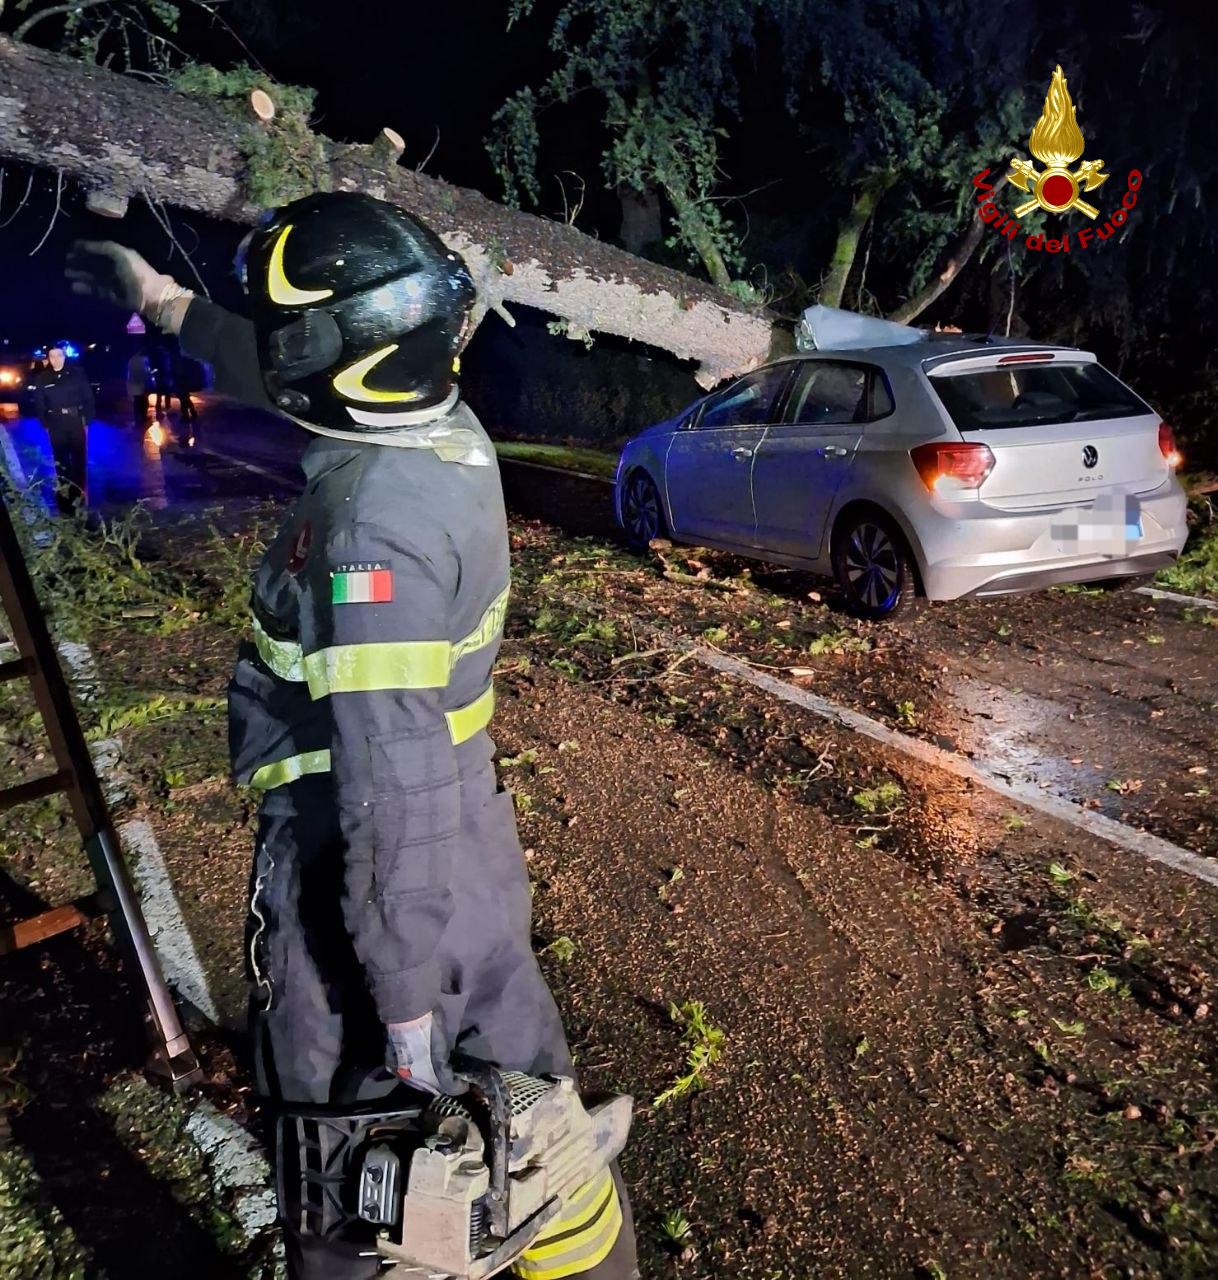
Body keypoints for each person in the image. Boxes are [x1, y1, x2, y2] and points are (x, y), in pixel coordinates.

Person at [66, 195, 638, 1280]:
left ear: (343, 356)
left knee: (351, 1188)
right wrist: (161, 300)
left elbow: (394, 774)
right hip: (468, 857)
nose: (279, 355)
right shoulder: (430, 418)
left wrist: (404, 994)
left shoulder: (372, 532)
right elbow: (284, 363)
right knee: (540, 1138)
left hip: (364, 875)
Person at [32, 345, 94, 512]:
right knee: (61, 460)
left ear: (64, 356)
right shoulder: (43, 378)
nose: (56, 359)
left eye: (59, 355)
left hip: (75, 421)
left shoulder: (77, 374)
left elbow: (88, 398)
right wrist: (44, 424)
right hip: (56, 423)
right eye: (52, 356)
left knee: (79, 459)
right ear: (48, 358)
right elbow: (40, 404)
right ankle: (65, 494)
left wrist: (87, 421)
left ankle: (80, 494)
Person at [127, 347, 151, 428]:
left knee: (137, 402)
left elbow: (129, 373)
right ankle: (142, 418)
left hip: (134, 385)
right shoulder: (143, 360)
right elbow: (145, 372)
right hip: (141, 385)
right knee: (143, 402)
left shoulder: (131, 360)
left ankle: (138, 418)